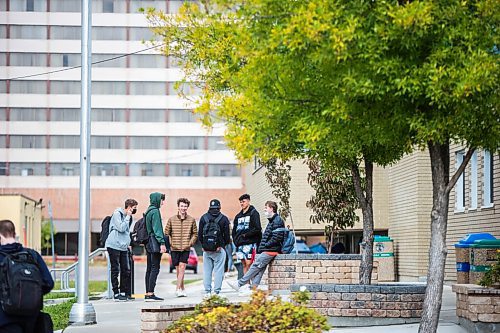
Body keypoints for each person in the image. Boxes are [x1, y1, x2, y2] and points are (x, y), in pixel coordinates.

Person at [0, 219, 54, 333]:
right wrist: (29, 294)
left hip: (5, 320)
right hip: (31, 319)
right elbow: (49, 282)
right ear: (14, 234)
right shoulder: (32, 255)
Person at [227, 201, 284, 295]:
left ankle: (240, 283)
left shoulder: (277, 220)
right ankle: (253, 289)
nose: (265, 209)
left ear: (272, 208)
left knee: (255, 266)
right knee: (260, 270)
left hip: (271, 250)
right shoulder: (272, 220)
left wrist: (266, 246)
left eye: (266, 207)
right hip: (268, 250)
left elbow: (277, 237)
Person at [105, 198, 138, 301]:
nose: (134, 211)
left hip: (123, 246)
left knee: (126, 269)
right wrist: (128, 216)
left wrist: (128, 243)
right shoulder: (117, 214)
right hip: (114, 244)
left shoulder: (129, 217)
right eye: (133, 208)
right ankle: (116, 293)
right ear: (128, 207)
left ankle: (123, 292)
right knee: (115, 269)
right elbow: (121, 228)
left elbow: (127, 232)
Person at [164, 197, 197, 297]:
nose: (183, 208)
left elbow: (195, 234)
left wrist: (189, 243)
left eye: (185, 206)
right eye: (182, 206)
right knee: (178, 269)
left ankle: (177, 289)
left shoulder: (191, 220)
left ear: (187, 207)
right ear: (178, 207)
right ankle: (182, 288)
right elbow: (166, 233)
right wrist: (170, 244)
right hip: (174, 248)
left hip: (185, 248)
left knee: (182, 267)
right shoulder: (171, 219)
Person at [198, 199, 230, 296]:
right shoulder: (224, 219)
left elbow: (199, 235)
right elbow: (227, 237)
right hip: (219, 250)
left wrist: (204, 246)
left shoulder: (203, 218)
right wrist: (221, 245)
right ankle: (216, 292)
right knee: (218, 271)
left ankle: (207, 291)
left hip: (206, 250)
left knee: (207, 271)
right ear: (219, 207)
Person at [144, 192, 167, 301]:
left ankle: (148, 292)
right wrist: (162, 243)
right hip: (155, 242)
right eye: (161, 200)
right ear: (157, 200)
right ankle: (151, 293)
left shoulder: (148, 211)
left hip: (148, 242)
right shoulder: (155, 211)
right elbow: (157, 229)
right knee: (155, 268)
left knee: (149, 268)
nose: (162, 202)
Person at [232, 194, 262, 274]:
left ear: (248, 201)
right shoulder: (238, 216)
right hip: (240, 244)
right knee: (244, 264)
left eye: (244, 202)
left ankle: (251, 285)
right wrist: (236, 240)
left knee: (249, 264)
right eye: (240, 202)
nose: (242, 204)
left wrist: (246, 235)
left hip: (250, 244)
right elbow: (234, 231)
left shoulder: (254, 213)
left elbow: (258, 229)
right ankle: (246, 284)